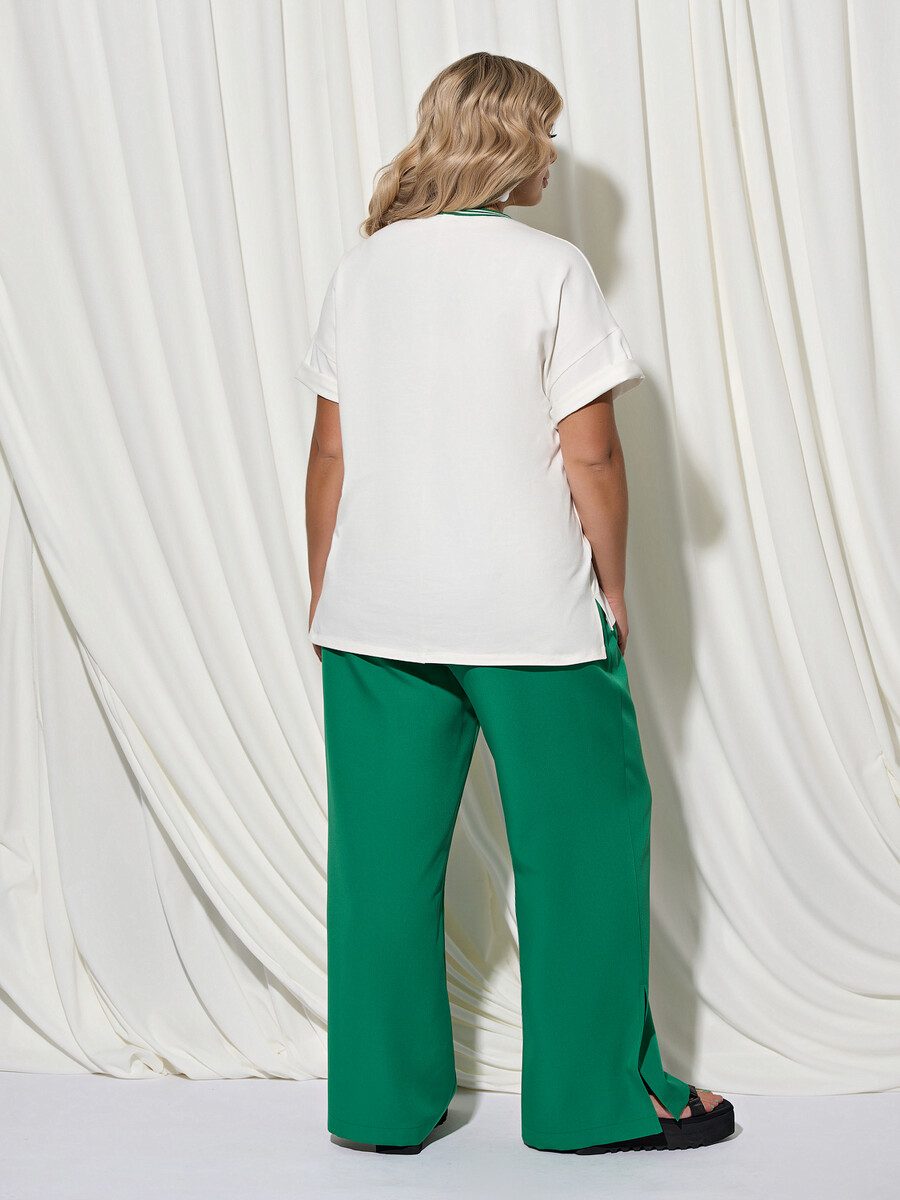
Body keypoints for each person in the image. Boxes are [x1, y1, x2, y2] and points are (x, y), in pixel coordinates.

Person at [299, 50, 735, 1156]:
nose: (552, 150)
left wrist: (327, 591)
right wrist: (614, 584)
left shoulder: (365, 269)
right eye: (544, 129)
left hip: (373, 614)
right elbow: (593, 456)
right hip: (526, 612)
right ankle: (594, 1105)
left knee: (381, 868)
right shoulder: (550, 268)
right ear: (509, 140)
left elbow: (330, 452)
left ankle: (379, 1107)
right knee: (582, 852)